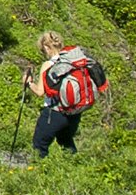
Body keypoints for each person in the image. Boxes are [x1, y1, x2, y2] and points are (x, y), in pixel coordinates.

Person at [29, 28, 106, 158]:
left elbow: (40, 92)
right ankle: (75, 167)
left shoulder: (48, 65)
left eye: (42, 50)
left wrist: (29, 83)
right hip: (74, 112)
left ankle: (39, 173)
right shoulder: (75, 61)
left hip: (54, 113)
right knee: (66, 141)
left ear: (47, 47)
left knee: (39, 145)